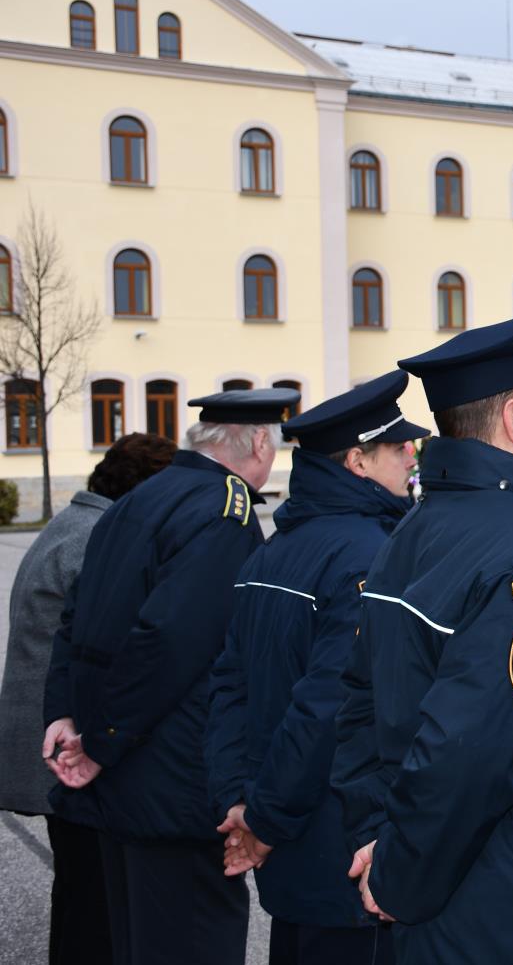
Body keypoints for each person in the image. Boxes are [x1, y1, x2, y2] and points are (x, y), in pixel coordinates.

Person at [331, 302, 513, 964]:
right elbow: (471, 750)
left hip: (432, 870)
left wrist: (379, 838)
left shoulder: (411, 533)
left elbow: (359, 711)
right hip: (509, 895)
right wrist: (399, 870)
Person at [42, 387, 298, 965]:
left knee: (136, 942)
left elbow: (75, 616)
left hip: (123, 779)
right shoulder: (223, 512)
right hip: (171, 781)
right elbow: (170, 640)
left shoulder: (141, 498)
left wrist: (65, 713)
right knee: (189, 940)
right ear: (259, 441)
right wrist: (102, 741)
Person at [205, 371, 425, 965]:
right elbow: (326, 707)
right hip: (339, 849)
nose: (412, 454)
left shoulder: (278, 547)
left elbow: (228, 686)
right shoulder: (370, 556)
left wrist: (237, 803)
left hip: (285, 844)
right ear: (357, 461)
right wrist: (263, 820)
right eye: (398, 445)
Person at [0, 434, 174, 965]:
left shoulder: (73, 521)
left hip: (45, 738)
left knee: (81, 891)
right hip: (63, 746)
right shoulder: (100, 537)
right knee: (90, 897)